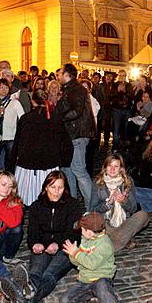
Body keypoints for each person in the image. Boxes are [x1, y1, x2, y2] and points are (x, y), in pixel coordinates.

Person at [11, 171, 82, 303]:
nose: (56, 192)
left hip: (66, 248)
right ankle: (27, 291)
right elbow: (32, 231)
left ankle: (25, 301)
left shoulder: (73, 205)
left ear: (65, 188)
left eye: (60, 188)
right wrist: (35, 244)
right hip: (43, 246)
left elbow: (74, 233)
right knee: (35, 272)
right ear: (45, 188)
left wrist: (57, 244)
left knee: (50, 274)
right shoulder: (37, 206)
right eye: (53, 187)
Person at [60, 212, 124, 303]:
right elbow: (78, 263)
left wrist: (76, 253)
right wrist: (73, 255)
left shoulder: (104, 244)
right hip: (85, 279)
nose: (81, 232)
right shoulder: (85, 239)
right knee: (65, 301)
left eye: (82, 229)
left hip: (101, 277)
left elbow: (92, 264)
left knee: (103, 288)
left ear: (89, 231)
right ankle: (92, 293)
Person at [12, 89, 73, 205]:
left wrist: (12, 162)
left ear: (33, 102)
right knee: (48, 198)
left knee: (26, 197)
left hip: (27, 163)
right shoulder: (55, 118)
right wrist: (64, 161)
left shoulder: (25, 118)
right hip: (49, 163)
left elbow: (18, 142)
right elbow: (66, 142)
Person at [90, 154, 150, 252]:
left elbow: (133, 208)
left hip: (124, 222)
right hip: (105, 223)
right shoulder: (98, 183)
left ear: (121, 169)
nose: (112, 169)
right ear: (105, 167)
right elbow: (92, 209)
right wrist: (108, 204)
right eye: (110, 165)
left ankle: (110, 244)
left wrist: (124, 201)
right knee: (92, 220)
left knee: (144, 215)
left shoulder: (127, 182)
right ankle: (125, 239)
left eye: (116, 166)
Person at [55, 64, 96, 207]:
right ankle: (72, 204)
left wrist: (59, 117)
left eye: (60, 73)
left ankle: (92, 206)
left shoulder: (75, 90)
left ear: (67, 74)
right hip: (72, 135)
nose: (57, 76)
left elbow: (77, 110)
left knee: (79, 170)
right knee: (70, 170)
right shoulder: (71, 89)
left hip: (77, 134)